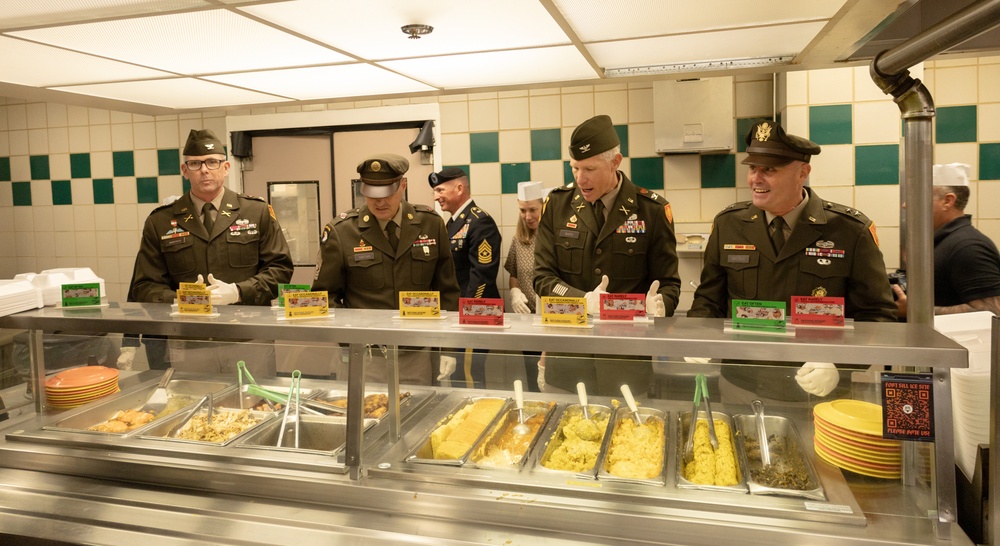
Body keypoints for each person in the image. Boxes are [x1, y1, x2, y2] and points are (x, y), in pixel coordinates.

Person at [688, 120, 897, 402]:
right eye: (752, 168)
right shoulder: (729, 224)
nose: (756, 179)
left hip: (817, 390)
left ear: (803, 172)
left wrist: (840, 363)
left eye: (770, 170)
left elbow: (878, 316)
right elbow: (709, 301)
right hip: (742, 382)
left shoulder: (849, 231)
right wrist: (698, 337)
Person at [125, 129, 294, 377]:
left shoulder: (255, 212)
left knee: (255, 407)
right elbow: (144, 285)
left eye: (212, 162)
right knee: (193, 405)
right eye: (195, 163)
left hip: (248, 337)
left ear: (225, 168)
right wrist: (182, 300)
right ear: (185, 171)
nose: (204, 169)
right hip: (190, 341)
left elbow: (280, 270)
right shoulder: (160, 220)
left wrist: (238, 291)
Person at [533, 114, 681, 396]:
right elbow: (542, 276)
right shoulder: (557, 205)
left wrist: (660, 306)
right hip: (567, 361)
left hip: (625, 366)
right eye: (574, 168)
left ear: (615, 162)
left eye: (589, 168)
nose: (580, 178)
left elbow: (669, 284)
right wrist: (582, 301)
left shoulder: (651, 210)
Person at [312, 153, 460, 385]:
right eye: (372, 194)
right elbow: (323, 297)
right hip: (366, 355)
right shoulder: (342, 231)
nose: (380, 202)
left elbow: (448, 291)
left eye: (387, 194)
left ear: (403, 186)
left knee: (418, 417)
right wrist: (348, 341)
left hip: (418, 354)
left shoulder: (430, 224)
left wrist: (449, 346)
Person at [893, 163, 1000, 318]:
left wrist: (917, 311)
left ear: (947, 201)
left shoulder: (968, 247)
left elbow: (993, 311)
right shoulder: (943, 242)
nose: (905, 205)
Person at [428, 167, 501, 388]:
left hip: (475, 313)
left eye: (440, 189)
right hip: (460, 313)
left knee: (469, 376)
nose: (436, 196)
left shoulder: (480, 221)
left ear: (459, 188)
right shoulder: (452, 223)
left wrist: (466, 313)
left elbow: (482, 276)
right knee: (459, 375)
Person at [505, 181, 548, 392]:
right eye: (523, 210)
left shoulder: (556, 237)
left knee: (551, 378)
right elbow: (514, 274)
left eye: (533, 210)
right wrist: (515, 291)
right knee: (532, 379)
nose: (528, 216)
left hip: (553, 321)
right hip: (528, 321)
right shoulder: (519, 239)